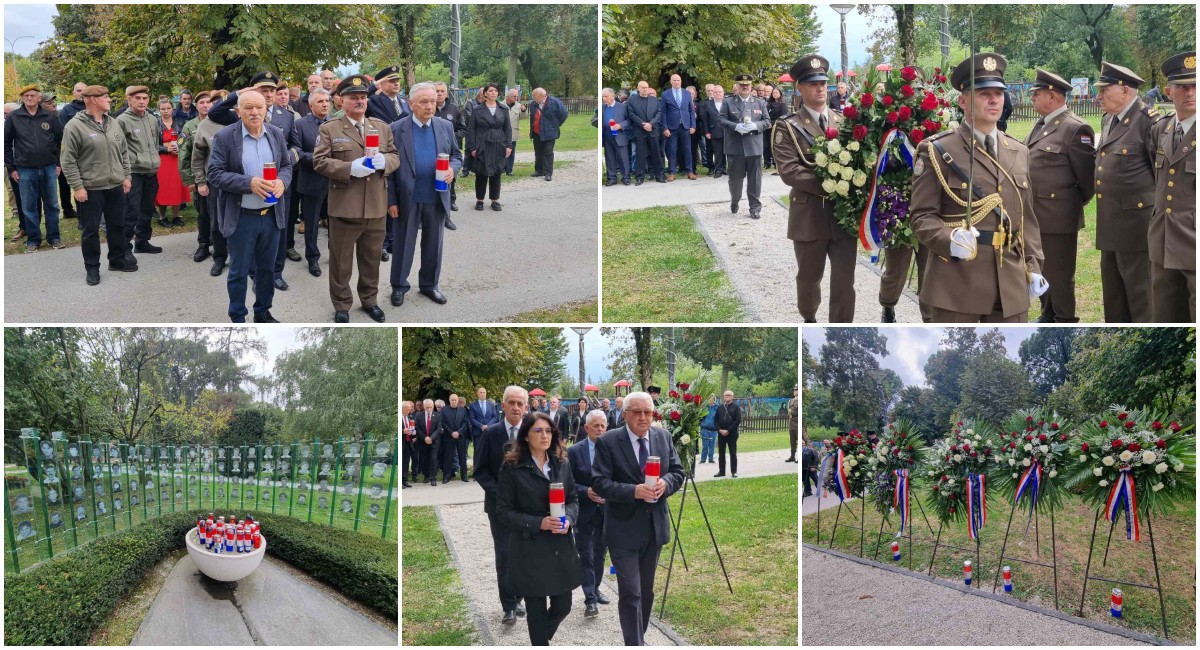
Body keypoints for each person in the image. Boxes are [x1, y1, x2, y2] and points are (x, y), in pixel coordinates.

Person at [910, 53, 1045, 322]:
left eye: (998, 93)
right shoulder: (937, 150)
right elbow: (921, 217)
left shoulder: (1018, 151)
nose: (994, 100)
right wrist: (949, 240)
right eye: (983, 93)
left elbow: (1026, 220)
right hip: (958, 284)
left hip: (1011, 283)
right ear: (963, 100)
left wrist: (1034, 266)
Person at [591, 391, 685, 647]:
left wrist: (665, 484)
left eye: (649, 412)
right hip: (622, 530)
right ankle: (635, 644)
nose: (644, 417)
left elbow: (678, 471)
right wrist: (634, 491)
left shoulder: (663, 437)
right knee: (630, 592)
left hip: (654, 529)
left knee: (645, 591)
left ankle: (638, 637)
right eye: (638, 412)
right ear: (625, 414)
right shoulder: (608, 442)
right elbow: (599, 483)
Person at [773, 56, 854, 322]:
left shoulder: (843, 122)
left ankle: (842, 326)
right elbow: (790, 171)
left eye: (823, 82)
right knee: (808, 278)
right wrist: (836, 185)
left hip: (843, 215)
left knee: (845, 281)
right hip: (809, 216)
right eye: (812, 83)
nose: (819, 88)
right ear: (799, 88)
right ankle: (809, 319)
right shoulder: (787, 126)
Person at [314, 75, 401, 323]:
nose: (360, 101)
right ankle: (342, 304)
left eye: (363, 97)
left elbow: (395, 156)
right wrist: (350, 168)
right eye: (354, 97)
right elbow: (319, 161)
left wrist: (387, 162)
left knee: (371, 259)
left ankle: (370, 301)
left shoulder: (381, 127)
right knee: (341, 263)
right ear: (342, 101)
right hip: (345, 207)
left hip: (375, 206)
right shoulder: (329, 128)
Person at [205, 90, 293, 323]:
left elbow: (286, 166)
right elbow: (214, 174)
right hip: (242, 216)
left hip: (271, 215)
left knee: (266, 271)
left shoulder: (274, 133)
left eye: (259, 107)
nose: (254, 112)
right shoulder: (225, 136)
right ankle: (238, 316)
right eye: (248, 108)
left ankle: (263, 312)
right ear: (238, 111)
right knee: (239, 272)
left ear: (266, 109)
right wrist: (249, 183)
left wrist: (282, 181)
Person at [496, 411, 582, 644]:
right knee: (535, 611)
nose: (545, 435)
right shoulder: (512, 467)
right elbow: (503, 511)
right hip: (529, 548)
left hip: (559, 546)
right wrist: (538, 523)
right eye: (538, 430)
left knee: (563, 605)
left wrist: (570, 520)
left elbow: (573, 499)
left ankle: (540, 640)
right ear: (525, 435)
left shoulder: (561, 462)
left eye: (549, 430)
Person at [1024, 68, 1096, 323]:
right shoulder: (1041, 124)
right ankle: (1048, 312)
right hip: (1036, 215)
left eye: (1036, 94)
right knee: (1040, 268)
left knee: (1060, 274)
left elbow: (1088, 179)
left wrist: (1069, 203)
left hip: (1059, 216)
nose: (1032, 98)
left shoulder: (1076, 129)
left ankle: (1065, 319)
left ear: (1052, 96)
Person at [1094, 61, 1159, 323]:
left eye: (1103, 90)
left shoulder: (1148, 122)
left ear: (1124, 90)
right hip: (1110, 225)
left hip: (1136, 229)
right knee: (1114, 296)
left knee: (1141, 295)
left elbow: (1162, 176)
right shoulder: (1109, 119)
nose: (1098, 96)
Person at [387, 81, 463, 308]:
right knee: (403, 246)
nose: (430, 106)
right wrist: (391, 200)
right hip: (407, 198)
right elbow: (389, 169)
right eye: (424, 102)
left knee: (433, 245)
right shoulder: (396, 129)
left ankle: (430, 285)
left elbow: (457, 156)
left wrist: (452, 169)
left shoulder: (444, 127)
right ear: (411, 104)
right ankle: (399, 286)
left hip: (436, 196)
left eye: (433, 101)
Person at [60, 85, 134, 285]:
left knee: (117, 225)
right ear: (92, 99)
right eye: (106, 97)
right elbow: (67, 160)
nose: (110, 100)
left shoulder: (113, 123)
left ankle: (117, 259)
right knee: (91, 230)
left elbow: (124, 152)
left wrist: (126, 176)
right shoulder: (74, 126)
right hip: (90, 188)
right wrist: (77, 186)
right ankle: (92, 268)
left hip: (115, 185)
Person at [474, 385, 532, 624]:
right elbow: (480, 471)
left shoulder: (532, 434)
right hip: (499, 508)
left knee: (525, 554)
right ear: (503, 405)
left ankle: (519, 597)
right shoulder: (491, 433)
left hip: (528, 509)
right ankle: (508, 605)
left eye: (520, 404)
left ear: (526, 408)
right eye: (512, 403)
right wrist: (502, 495)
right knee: (505, 554)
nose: (516, 407)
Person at [1148, 51, 1196, 322]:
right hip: (1162, 239)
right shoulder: (1161, 129)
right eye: (1182, 86)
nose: (1190, 93)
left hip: (1194, 242)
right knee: (1165, 319)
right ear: (1168, 92)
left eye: (1195, 86)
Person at [5, 84, 64, 253]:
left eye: (32, 95)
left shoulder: (49, 116)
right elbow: (7, 144)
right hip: (25, 169)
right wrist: (12, 168)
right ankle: (33, 240)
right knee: (29, 206)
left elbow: (61, 141)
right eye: (26, 96)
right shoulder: (14, 117)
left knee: (52, 204)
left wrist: (58, 164)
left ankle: (54, 238)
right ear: (22, 99)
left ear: (39, 98)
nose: (29, 98)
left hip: (49, 167)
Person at [569, 409, 611, 618]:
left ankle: (595, 589)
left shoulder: (613, 449)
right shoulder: (575, 451)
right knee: (585, 555)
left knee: (600, 555)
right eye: (596, 425)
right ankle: (590, 600)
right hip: (584, 512)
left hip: (606, 512)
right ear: (586, 428)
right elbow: (567, 484)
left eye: (603, 425)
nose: (600, 429)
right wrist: (587, 491)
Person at [116, 85, 164, 256]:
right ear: (129, 100)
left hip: (151, 172)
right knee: (131, 212)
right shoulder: (122, 121)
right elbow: (117, 149)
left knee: (147, 209)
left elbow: (154, 144)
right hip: (134, 173)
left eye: (145, 98)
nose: (142, 101)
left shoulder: (152, 119)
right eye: (137, 98)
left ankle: (142, 242)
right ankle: (123, 250)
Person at [190, 90, 232, 276]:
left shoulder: (238, 121)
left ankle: (239, 257)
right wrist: (200, 182)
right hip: (214, 182)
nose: (217, 105)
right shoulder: (205, 126)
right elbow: (197, 158)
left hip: (238, 181)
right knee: (216, 223)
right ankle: (219, 258)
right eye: (215, 102)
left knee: (240, 221)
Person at [292, 88, 331, 278]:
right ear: (311, 105)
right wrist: (320, 159)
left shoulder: (336, 123)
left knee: (335, 220)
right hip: (311, 180)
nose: (325, 104)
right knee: (312, 223)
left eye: (327, 101)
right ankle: (313, 258)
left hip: (334, 181)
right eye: (321, 101)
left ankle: (336, 253)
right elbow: (296, 151)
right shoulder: (299, 125)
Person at [721, 74, 771, 219]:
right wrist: (736, 126)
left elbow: (767, 121)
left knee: (755, 179)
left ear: (751, 87)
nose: (745, 87)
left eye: (747, 85)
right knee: (735, 179)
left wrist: (756, 125)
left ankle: (754, 208)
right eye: (742, 85)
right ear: (737, 87)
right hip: (735, 147)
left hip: (754, 146)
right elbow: (721, 119)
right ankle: (735, 200)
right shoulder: (728, 102)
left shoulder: (759, 103)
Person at [180, 91, 215, 263]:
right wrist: (189, 179)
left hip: (216, 176)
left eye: (208, 102)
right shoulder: (189, 126)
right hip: (200, 177)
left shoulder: (218, 123)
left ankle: (219, 243)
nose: (205, 105)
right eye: (201, 102)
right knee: (203, 213)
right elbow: (184, 155)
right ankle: (203, 244)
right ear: (196, 105)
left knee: (219, 212)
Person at [466, 82, 512, 212]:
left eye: (495, 91)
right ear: (485, 93)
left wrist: (508, 146)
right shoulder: (477, 109)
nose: (493, 93)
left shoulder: (503, 109)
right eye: (490, 91)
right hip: (482, 143)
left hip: (499, 143)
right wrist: (472, 147)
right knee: (481, 172)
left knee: (496, 172)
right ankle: (479, 200)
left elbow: (507, 129)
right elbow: (472, 129)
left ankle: (494, 200)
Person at [433, 81, 466, 219]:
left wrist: (450, 137)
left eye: (442, 91)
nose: (440, 94)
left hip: (449, 149)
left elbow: (462, 128)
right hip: (433, 147)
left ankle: (451, 201)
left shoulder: (454, 109)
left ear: (446, 93)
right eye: (437, 91)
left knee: (449, 175)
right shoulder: (428, 107)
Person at [155, 98, 188, 227]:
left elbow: (185, 139)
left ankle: (176, 216)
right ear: (159, 110)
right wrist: (166, 148)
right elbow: (152, 144)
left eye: (168, 108)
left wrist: (179, 148)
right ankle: (162, 217)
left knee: (177, 187)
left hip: (176, 159)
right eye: (163, 109)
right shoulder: (156, 124)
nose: (166, 111)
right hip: (162, 160)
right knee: (163, 188)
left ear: (172, 108)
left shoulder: (180, 122)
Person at [626, 81, 663, 185]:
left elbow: (659, 113)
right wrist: (643, 124)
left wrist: (651, 124)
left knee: (656, 153)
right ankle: (639, 177)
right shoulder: (632, 100)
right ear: (638, 88)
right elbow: (631, 114)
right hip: (640, 131)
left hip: (653, 130)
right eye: (643, 87)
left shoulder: (654, 100)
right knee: (640, 155)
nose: (645, 89)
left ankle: (659, 175)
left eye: (647, 87)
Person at [660, 74, 696, 181]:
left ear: (681, 81)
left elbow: (691, 110)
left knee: (687, 150)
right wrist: (665, 128)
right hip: (672, 127)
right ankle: (672, 172)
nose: (676, 82)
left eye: (678, 80)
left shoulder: (686, 93)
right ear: (671, 82)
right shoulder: (665, 94)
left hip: (685, 126)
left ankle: (690, 171)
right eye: (674, 80)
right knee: (672, 150)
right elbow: (663, 113)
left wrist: (693, 125)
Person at [529, 88, 568, 181]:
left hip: (549, 132)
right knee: (538, 152)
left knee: (548, 152)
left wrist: (555, 125)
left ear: (541, 95)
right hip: (536, 132)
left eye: (534, 95)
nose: (533, 97)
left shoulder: (554, 102)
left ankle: (548, 173)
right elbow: (533, 117)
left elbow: (564, 114)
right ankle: (539, 170)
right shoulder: (533, 104)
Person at [601, 88, 631, 186]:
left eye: (606, 96)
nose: (604, 99)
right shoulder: (602, 108)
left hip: (619, 136)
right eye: (602, 96)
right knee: (609, 158)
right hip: (607, 136)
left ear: (612, 96)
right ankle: (612, 178)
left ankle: (626, 178)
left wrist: (620, 125)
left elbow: (629, 121)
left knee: (623, 158)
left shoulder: (622, 107)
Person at [414, 398, 443, 485]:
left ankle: (433, 478)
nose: (429, 409)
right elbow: (417, 429)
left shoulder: (437, 415)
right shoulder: (419, 416)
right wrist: (425, 438)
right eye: (427, 407)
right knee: (424, 459)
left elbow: (439, 429)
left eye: (430, 407)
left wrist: (431, 438)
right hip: (423, 442)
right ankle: (426, 476)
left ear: (433, 406)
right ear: (424, 406)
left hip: (434, 442)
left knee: (433, 459)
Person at [714, 390, 742, 478]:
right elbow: (715, 420)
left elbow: (737, 421)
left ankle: (734, 471)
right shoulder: (720, 407)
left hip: (732, 434)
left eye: (729, 395)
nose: (727, 396)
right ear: (724, 396)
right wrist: (719, 430)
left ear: (732, 397)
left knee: (733, 453)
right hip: (721, 434)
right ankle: (721, 471)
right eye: (726, 395)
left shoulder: (736, 407)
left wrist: (728, 430)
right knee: (721, 453)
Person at [470, 386, 501, 457]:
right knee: (478, 452)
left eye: (484, 392)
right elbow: (472, 419)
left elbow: (495, 417)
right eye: (481, 392)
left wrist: (488, 426)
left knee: (489, 451)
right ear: (477, 394)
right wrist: (481, 426)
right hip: (478, 433)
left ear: (486, 394)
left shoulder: (491, 405)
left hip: (489, 432)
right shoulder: (472, 405)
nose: (482, 394)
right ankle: (477, 467)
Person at [503, 89, 526, 176]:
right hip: (502, 133)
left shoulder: (519, 106)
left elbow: (523, 118)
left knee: (511, 152)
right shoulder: (501, 105)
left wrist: (523, 110)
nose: (516, 98)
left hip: (513, 133)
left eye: (517, 96)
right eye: (514, 96)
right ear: (508, 97)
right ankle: (501, 168)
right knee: (500, 151)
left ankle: (509, 170)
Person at [764, 86, 787, 170]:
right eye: (773, 93)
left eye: (776, 92)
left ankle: (777, 163)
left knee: (776, 145)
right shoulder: (769, 103)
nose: (775, 94)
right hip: (767, 126)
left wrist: (773, 124)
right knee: (767, 145)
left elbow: (783, 116)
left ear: (780, 93)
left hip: (777, 127)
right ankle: (767, 163)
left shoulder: (782, 104)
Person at [699, 395, 718, 464]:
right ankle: (703, 459)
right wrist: (701, 424)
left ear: (714, 400)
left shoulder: (717, 407)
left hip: (714, 429)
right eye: (709, 399)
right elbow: (700, 417)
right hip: (705, 428)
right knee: (705, 444)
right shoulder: (704, 407)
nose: (711, 400)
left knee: (712, 445)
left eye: (712, 399)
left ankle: (711, 459)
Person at [401, 401, 416, 488]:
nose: (409, 411)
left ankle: (404, 480)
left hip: (408, 442)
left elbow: (412, 427)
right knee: (401, 462)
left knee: (406, 462)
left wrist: (413, 432)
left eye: (410, 409)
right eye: (407, 409)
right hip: (402, 442)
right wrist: (403, 431)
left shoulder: (409, 417)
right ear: (402, 409)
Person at [787, 386, 800, 462]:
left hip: (797, 421)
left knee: (799, 441)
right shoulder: (791, 400)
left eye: (796, 390)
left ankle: (799, 457)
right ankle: (792, 456)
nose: (794, 391)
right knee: (792, 441)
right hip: (791, 422)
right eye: (794, 390)